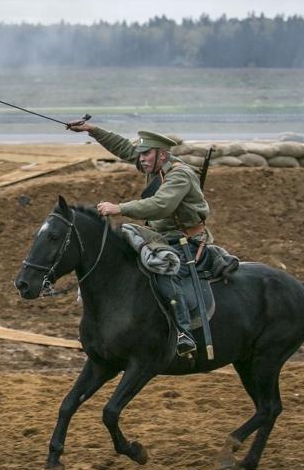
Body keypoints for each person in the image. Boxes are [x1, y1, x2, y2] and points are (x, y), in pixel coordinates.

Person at [68, 122, 208, 357]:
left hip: (184, 240)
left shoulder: (180, 175)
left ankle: (184, 333)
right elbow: (124, 147)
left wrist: (119, 208)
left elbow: (161, 205)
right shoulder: (155, 166)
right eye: (141, 154)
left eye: (146, 154)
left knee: (163, 271)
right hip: (160, 236)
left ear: (161, 154)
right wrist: (92, 130)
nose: (140, 158)